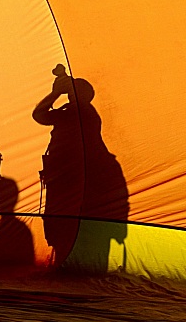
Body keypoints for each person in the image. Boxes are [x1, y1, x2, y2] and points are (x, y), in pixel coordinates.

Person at [33, 66, 128, 268]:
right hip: (68, 177)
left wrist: (55, 93)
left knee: (63, 227)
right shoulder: (84, 113)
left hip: (67, 178)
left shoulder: (76, 112)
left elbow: (39, 115)